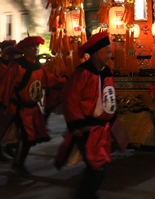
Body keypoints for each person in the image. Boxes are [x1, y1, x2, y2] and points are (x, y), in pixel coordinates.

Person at [55, 32, 115, 199]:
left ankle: (86, 194)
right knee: (97, 166)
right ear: (97, 53)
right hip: (86, 127)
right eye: (108, 51)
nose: (110, 54)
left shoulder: (106, 72)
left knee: (101, 164)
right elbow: (70, 99)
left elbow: (109, 97)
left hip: (101, 128)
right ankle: (85, 195)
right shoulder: (82, 73)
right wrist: (76, 124)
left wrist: (112, 117)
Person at [0, 36, 66, 177]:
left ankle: (15, 156)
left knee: (30, 137)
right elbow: (6, 86)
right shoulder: (16, 66)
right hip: (19, 108)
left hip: (33, 108)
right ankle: (17, 164)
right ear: (25, 49)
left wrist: (67, 80)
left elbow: (51, 81)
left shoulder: (39, 67)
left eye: (37, 46)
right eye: (32, 46)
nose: (36, 49)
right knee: (27, 137)